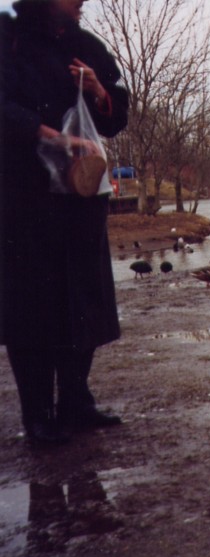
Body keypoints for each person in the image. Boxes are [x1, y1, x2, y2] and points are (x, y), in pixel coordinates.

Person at [1, 0, 129, 444]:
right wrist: (50, 135)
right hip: (24, 197)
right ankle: (38, 415)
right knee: (32, 306)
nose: (81, 1)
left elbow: (117, 116)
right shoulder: (9, 39)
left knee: (82, 298)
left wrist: (98, 91)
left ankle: (76, 401)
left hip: (81, 196)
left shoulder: (86, 45)